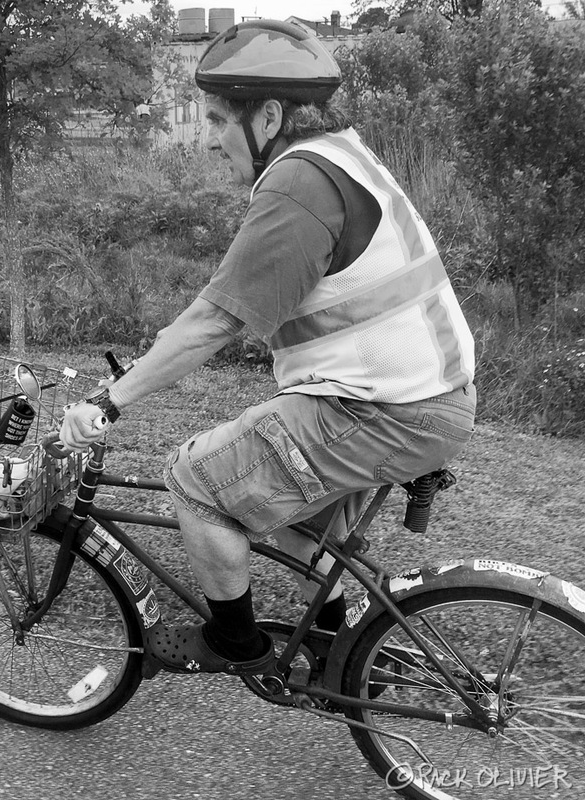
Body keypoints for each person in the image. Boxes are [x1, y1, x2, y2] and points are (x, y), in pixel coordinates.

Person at [58, 20, 476, 676]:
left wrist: (110, 400)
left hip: (382, 410)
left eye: (221, 120)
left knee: (196, 480)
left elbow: (215, 322)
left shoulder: (298, 185)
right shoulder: (344, 156)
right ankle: (333, 648)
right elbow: (232, 306)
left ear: (271, 115)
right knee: (294, 522)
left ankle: (236, 645)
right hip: (422, 396)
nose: (213, 138)